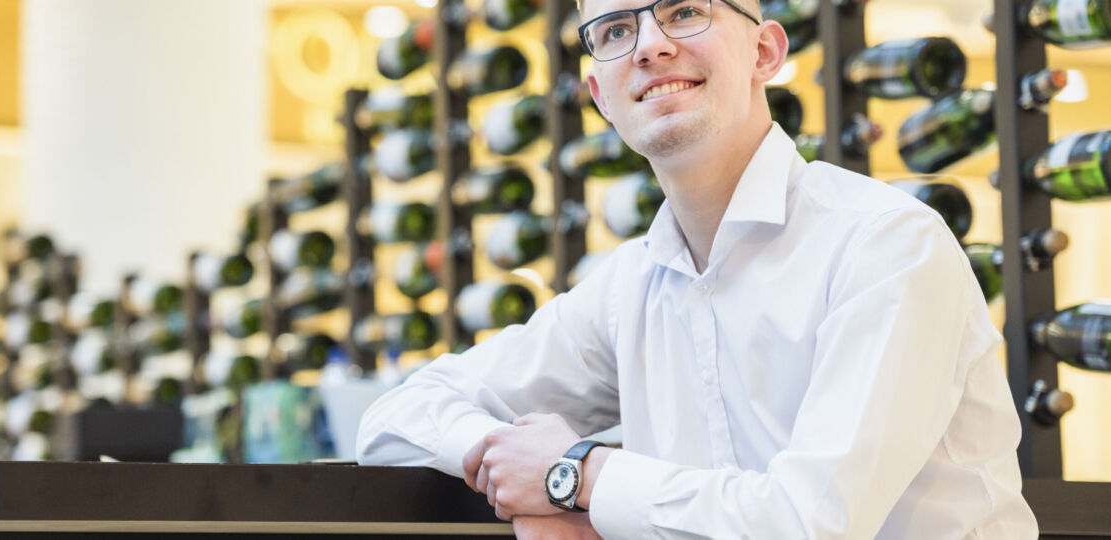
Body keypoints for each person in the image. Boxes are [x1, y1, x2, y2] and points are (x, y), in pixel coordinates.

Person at [356, 0, 1039, 537]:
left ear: (765, 51)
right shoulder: (633, 288)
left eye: (685, 12)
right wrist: (516, 469)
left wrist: (578, 476)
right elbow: (394, 421)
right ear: (600, 94)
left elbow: (806, 525)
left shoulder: (887, 246)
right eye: (616, 29)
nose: (651, 45)